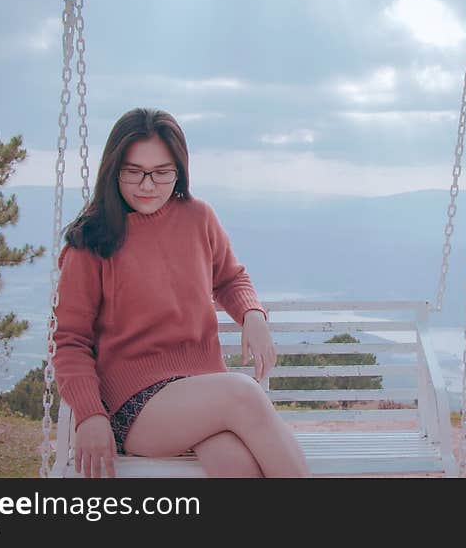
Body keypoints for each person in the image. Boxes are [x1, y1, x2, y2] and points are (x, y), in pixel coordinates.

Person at [51, 107, 310, 478]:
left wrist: (252, 314)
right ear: (113, 169)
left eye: (161, 173)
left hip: (200, 391)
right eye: (134, 171)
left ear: (180, 170)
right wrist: (90, 415)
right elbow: (70, 340)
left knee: (238, 466)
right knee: (245, 394)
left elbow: (230, 278)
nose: (147, 185)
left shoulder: (198, 217)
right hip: (135, 405)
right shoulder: (90, 241)